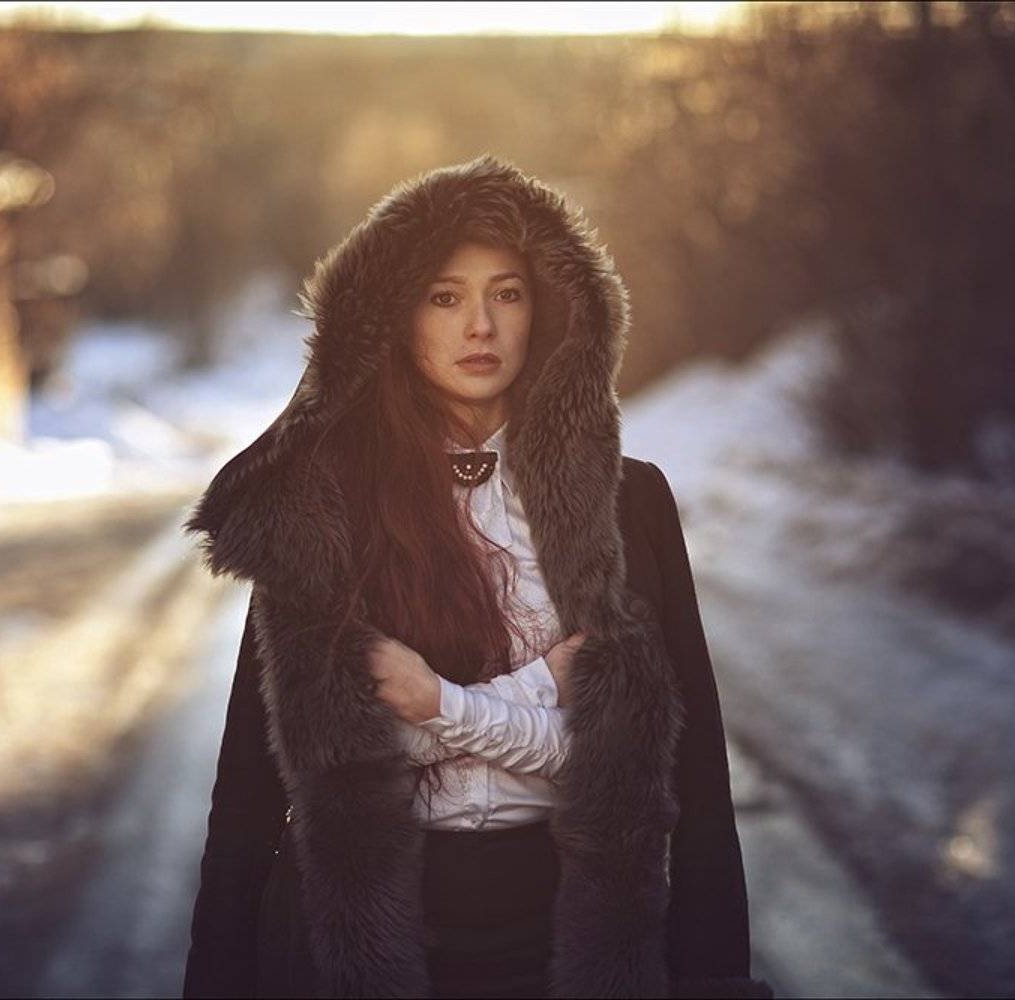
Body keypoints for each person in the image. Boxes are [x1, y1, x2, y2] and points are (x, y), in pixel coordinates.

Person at [181, 154, 772, 999]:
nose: (481, 327)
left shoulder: (629, 499)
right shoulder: (324, 506)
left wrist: (717, 976)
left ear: (551, 310)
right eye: (445, 297)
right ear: (394, 318)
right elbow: (259, 783)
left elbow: (688, 773)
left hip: (571, 930)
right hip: (365, 938)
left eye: (509, 292)